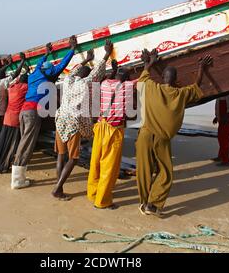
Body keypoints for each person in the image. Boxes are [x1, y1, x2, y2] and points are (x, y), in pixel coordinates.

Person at [136, 49, 213, 217]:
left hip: (145, 135)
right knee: (165, 172)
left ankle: (144, 202)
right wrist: (201, 68)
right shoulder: (180, 94)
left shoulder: (151, 87)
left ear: (162, 77)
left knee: (143, 169)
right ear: (176, 80)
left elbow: (143, 77)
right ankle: (153, 204)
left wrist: (149, 63)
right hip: (162, 138)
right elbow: (195, 86)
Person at [11, 36, 77, 189]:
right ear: (49, 72)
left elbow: (40, 63)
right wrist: (72, 49)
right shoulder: (48, 75)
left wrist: (47, 53)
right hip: (32, 112)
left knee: (23, 142)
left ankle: (19, 177)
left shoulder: (34, 74)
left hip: (24, 111)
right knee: (26, 144)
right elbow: (62, 65)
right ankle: (17, 180)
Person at [53, 40, 113, 201]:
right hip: (74, 121)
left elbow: (73, 72)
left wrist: (86, 60)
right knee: (73, 158)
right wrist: (107, 53)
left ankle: (59, 187)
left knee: (61, 155)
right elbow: (98, 72)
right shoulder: (87, 83)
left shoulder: (67, 80)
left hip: (60, 119)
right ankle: (57, 189)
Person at [87, 57, 137, 210]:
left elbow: (112, 78)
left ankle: (93, 192)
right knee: (109, 166)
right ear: (127, 79)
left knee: (96, 162)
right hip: (113, 130)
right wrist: (149, 65)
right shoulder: (127, 87)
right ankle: (102, 201)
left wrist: (114, 69)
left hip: (100, 126)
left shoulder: (104, 84)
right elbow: (143, 79)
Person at [0, 59, 31, 174]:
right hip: (15, 120)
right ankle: (3, 167)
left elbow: (15, 79)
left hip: (7, 117)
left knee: (2, 141)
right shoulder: (25, 88)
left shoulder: (12, 87)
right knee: (11, 145)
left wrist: (24, 71)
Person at [212, 93, 229, 166]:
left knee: (224, 139)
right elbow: (219, 105)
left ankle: (226, 160)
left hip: (228, 118)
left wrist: (227, 116)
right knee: (221, 137)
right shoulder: (222, 91)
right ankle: (221, 156)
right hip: (223, 117)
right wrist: (217, 117)